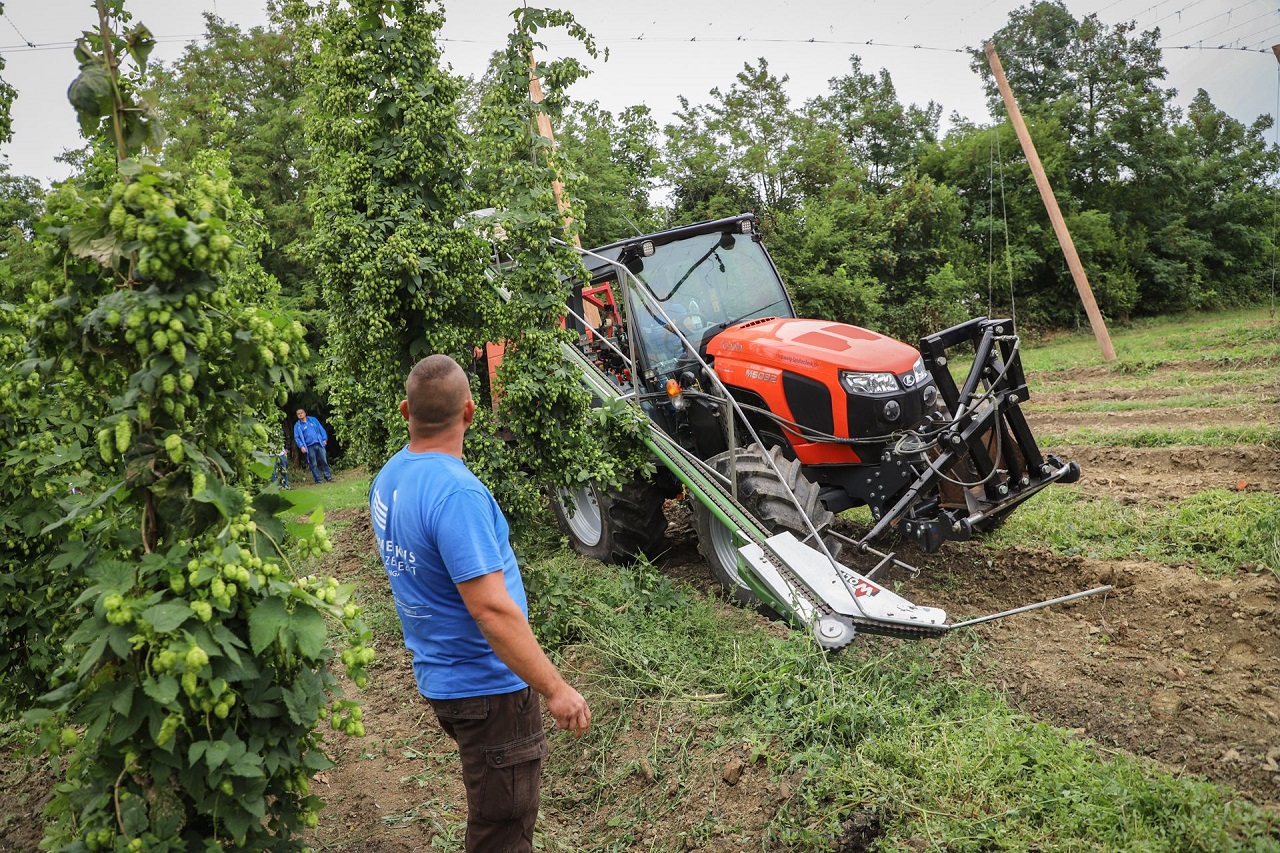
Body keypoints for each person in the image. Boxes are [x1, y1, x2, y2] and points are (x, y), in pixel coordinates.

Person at [369, 354, 591, 852]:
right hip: (488, 690)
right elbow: (489, 609)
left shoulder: (389, 478)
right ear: (470, 412)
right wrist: (555, 689)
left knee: (494, 817)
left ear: (406, 410)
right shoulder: (456, 494)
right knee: (501, 833)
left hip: (442, 678)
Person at [293, 408, 333, 484]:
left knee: (324, 461)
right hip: (309, 447)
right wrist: (301, 446)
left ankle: (328, 477)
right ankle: (318, 480)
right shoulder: (297, 426)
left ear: (305, 413)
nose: (300, 414)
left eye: (301, 413)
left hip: (319, 443)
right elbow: (297, 438)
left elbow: (321, 429)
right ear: (297, 416)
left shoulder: (313, 420)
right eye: (298, 414)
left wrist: (324, 439)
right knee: (313, 464)